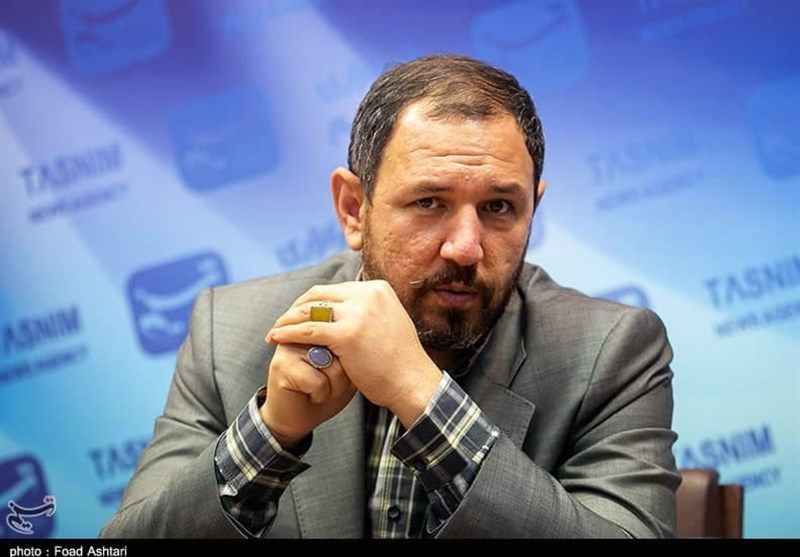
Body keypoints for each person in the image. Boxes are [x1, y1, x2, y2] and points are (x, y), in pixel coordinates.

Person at [99, 53, 680, 539]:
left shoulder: (611, 350)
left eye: (499, 207)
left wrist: (420, 394)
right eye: (429, 202)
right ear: (354, 209)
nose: (465, 247)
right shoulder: (228, 330)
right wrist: (271, 433)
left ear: (534, 206)